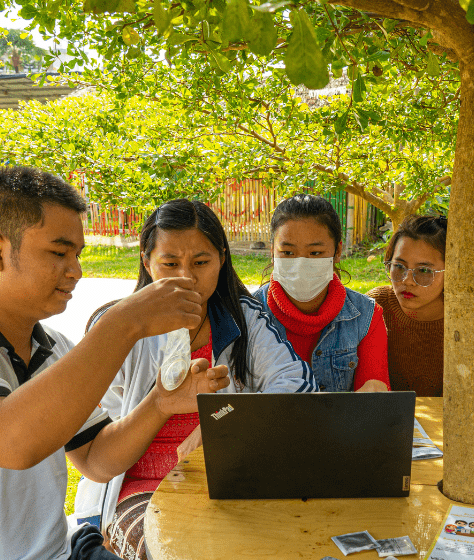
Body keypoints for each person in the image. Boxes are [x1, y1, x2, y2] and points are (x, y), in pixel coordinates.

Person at [0, 166, 228, 560]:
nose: (76, 272)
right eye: (59, 253)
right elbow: (11, 441)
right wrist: (124, 322)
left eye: (77, 255)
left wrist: (159, 403)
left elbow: (95, 460)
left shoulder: (55, 349)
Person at [74, 199, 314, 560]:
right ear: (146, 261)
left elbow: (298, 390)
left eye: (201, 262)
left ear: (221, 259)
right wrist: (158, 405)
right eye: (170, 263)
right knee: (172, 551)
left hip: (227, 483)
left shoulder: (244, 318)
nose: (186, 277)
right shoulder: (116, 327)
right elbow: (99, 448)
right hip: (137, 489)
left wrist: (226, 420)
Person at [254, 193, 389, 392]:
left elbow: (373, 397)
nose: (300, 263)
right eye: (288, 253)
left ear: (337, 252)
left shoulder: (367, 317)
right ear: (272, 253)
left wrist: (374, 389)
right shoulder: (249, 314)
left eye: (315, 253)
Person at [367, 214, 447, 396]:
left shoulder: (465, 320)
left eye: (424, 270)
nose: (407, 280)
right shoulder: (376, 306)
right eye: (399, 267)